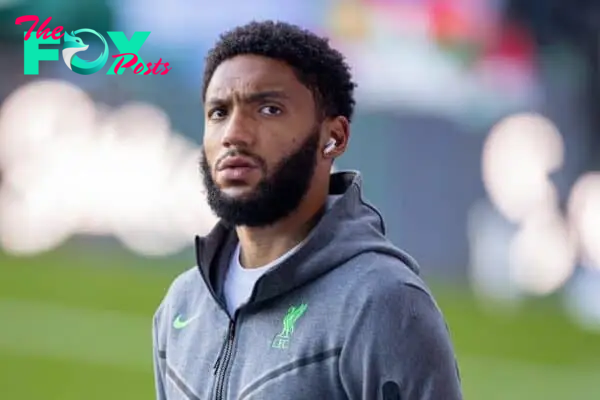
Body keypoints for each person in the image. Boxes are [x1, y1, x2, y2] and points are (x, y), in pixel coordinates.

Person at [152, 20, 462, 400]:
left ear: (334, 137)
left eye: (268, 109)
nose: (234, 133)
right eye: (218, 112)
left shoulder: (383, 302)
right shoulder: (182, 303)